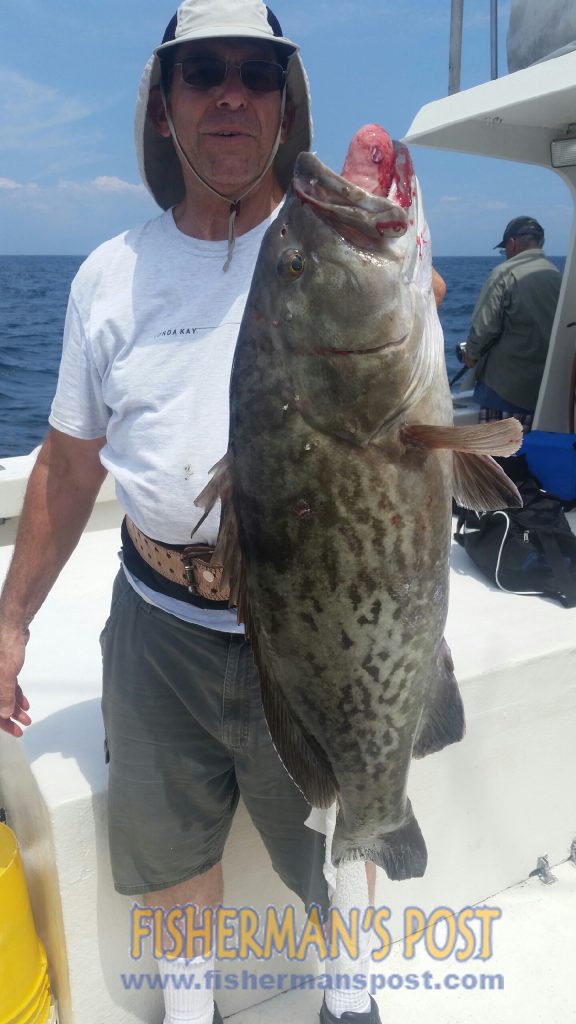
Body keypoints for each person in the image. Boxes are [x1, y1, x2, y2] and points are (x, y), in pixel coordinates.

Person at [0, 4, 444, 1022]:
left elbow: (410, 389)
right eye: (203, 72)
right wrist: (12, 618)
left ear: (288, 104)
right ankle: (191, 1010)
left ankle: (350, 996)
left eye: (258, 72)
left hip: (310, 623)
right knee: (172, 853)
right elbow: (69, 470)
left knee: (345, 828)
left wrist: (407, 274)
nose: (232, 93)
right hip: (160, 622)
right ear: (165, 108)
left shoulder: (333, 242)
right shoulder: (108, 277)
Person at [463, 216, 562, 428]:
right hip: (546, 394)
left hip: (505, 393)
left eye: (504, 250)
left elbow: (483, 328)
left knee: (498, 459)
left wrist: (470, 355)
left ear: (512, 243)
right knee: (530, 457)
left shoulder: (503, 273)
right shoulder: (557, 276)